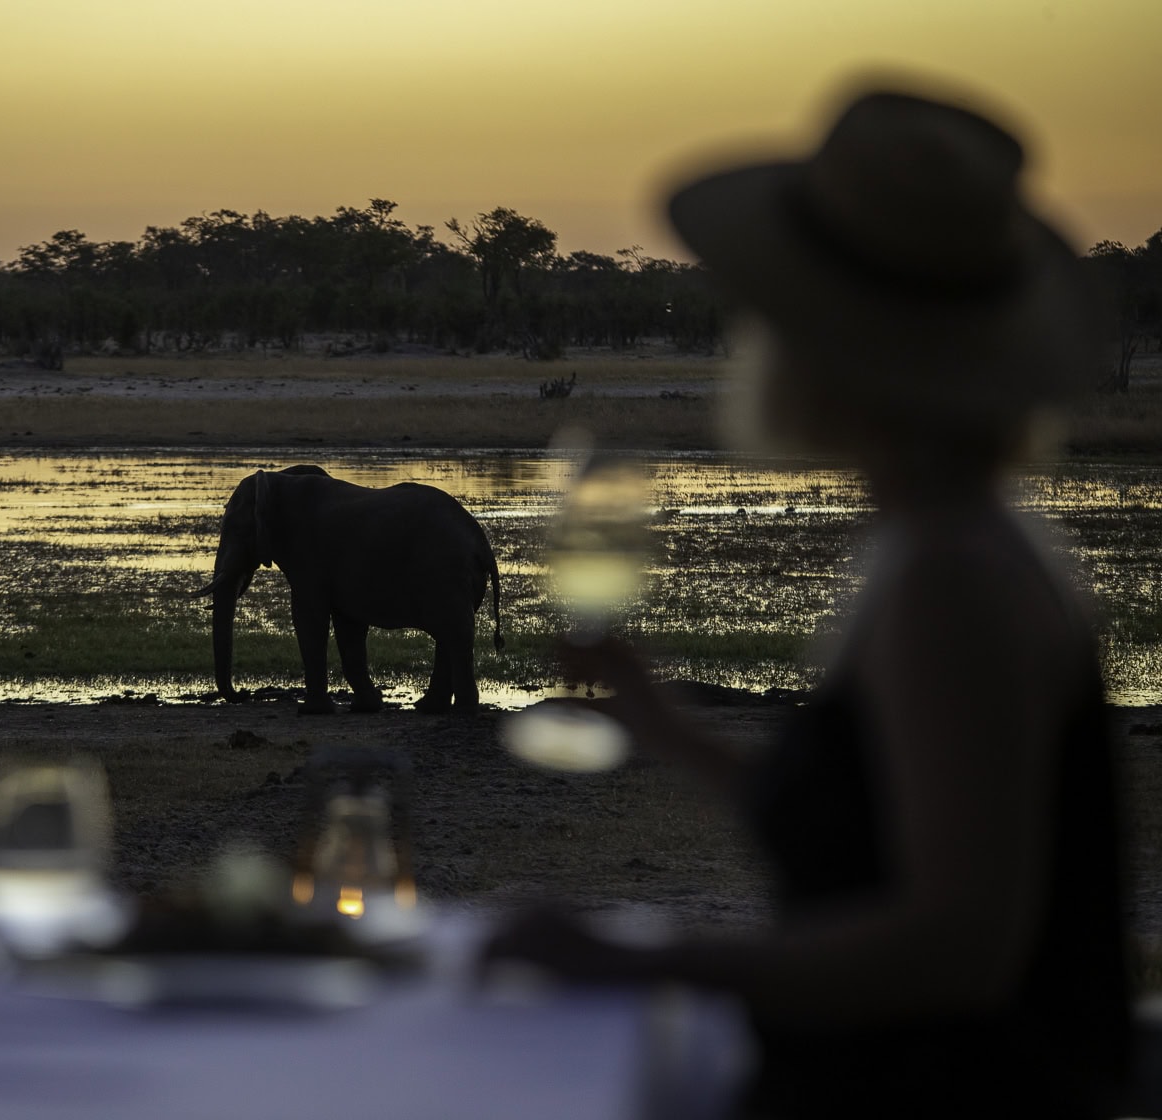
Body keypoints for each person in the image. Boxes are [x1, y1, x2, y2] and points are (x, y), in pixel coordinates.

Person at [481, 85, 1131, 1117]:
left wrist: (646, 959)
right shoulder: (953, 535)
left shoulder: (948, 581)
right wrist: (663, 724)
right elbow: (864, 833)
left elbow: (955, 943)